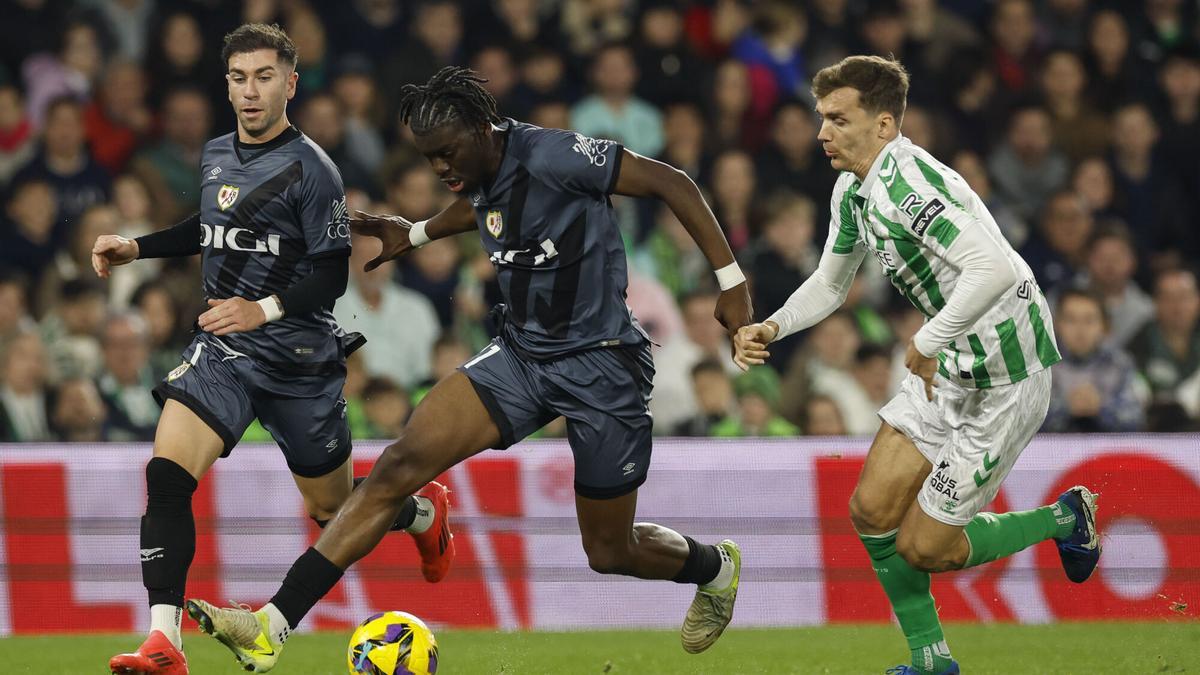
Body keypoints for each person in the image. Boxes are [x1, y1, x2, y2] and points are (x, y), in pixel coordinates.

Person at [187, 65, 754, 671]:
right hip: (522, 356)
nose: (441, 169)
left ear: (485, 130)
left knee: (609, 550)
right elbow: (480, 209)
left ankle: (713, 567)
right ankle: (271, 625)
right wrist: (419, 231)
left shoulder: (557, 154)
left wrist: (732, 282)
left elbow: (672, 182)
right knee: (397, 467)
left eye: (449, 153)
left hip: (601, 365)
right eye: (430, 158)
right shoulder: (480, 171)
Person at [96, 25, 452, 675]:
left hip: (301, 361)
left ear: (289, 83)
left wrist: (262, 307)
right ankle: (164, 641)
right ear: (226, 84)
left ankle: (421, 509)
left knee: (332, 510)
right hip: (225, 349)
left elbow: (332, 273)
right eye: (238, 77)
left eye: (264, 77)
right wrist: (137, 246)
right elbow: (206, 227)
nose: (250, 91)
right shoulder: (213, 154)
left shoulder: (315, 170)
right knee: (166, 476)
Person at [733, 56, 1101, 674]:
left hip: (1007, 372)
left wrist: (928, 338)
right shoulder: (853, 189)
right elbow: (829, 282)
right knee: (870, 511)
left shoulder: (910, 188)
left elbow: (997, 266)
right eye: (820, 117)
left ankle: (1065, 517)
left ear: (882, 125)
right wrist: (774, 324)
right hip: (948, 363)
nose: (822, 132)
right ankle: (932, 662)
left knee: (925, 547)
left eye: (837, 119)